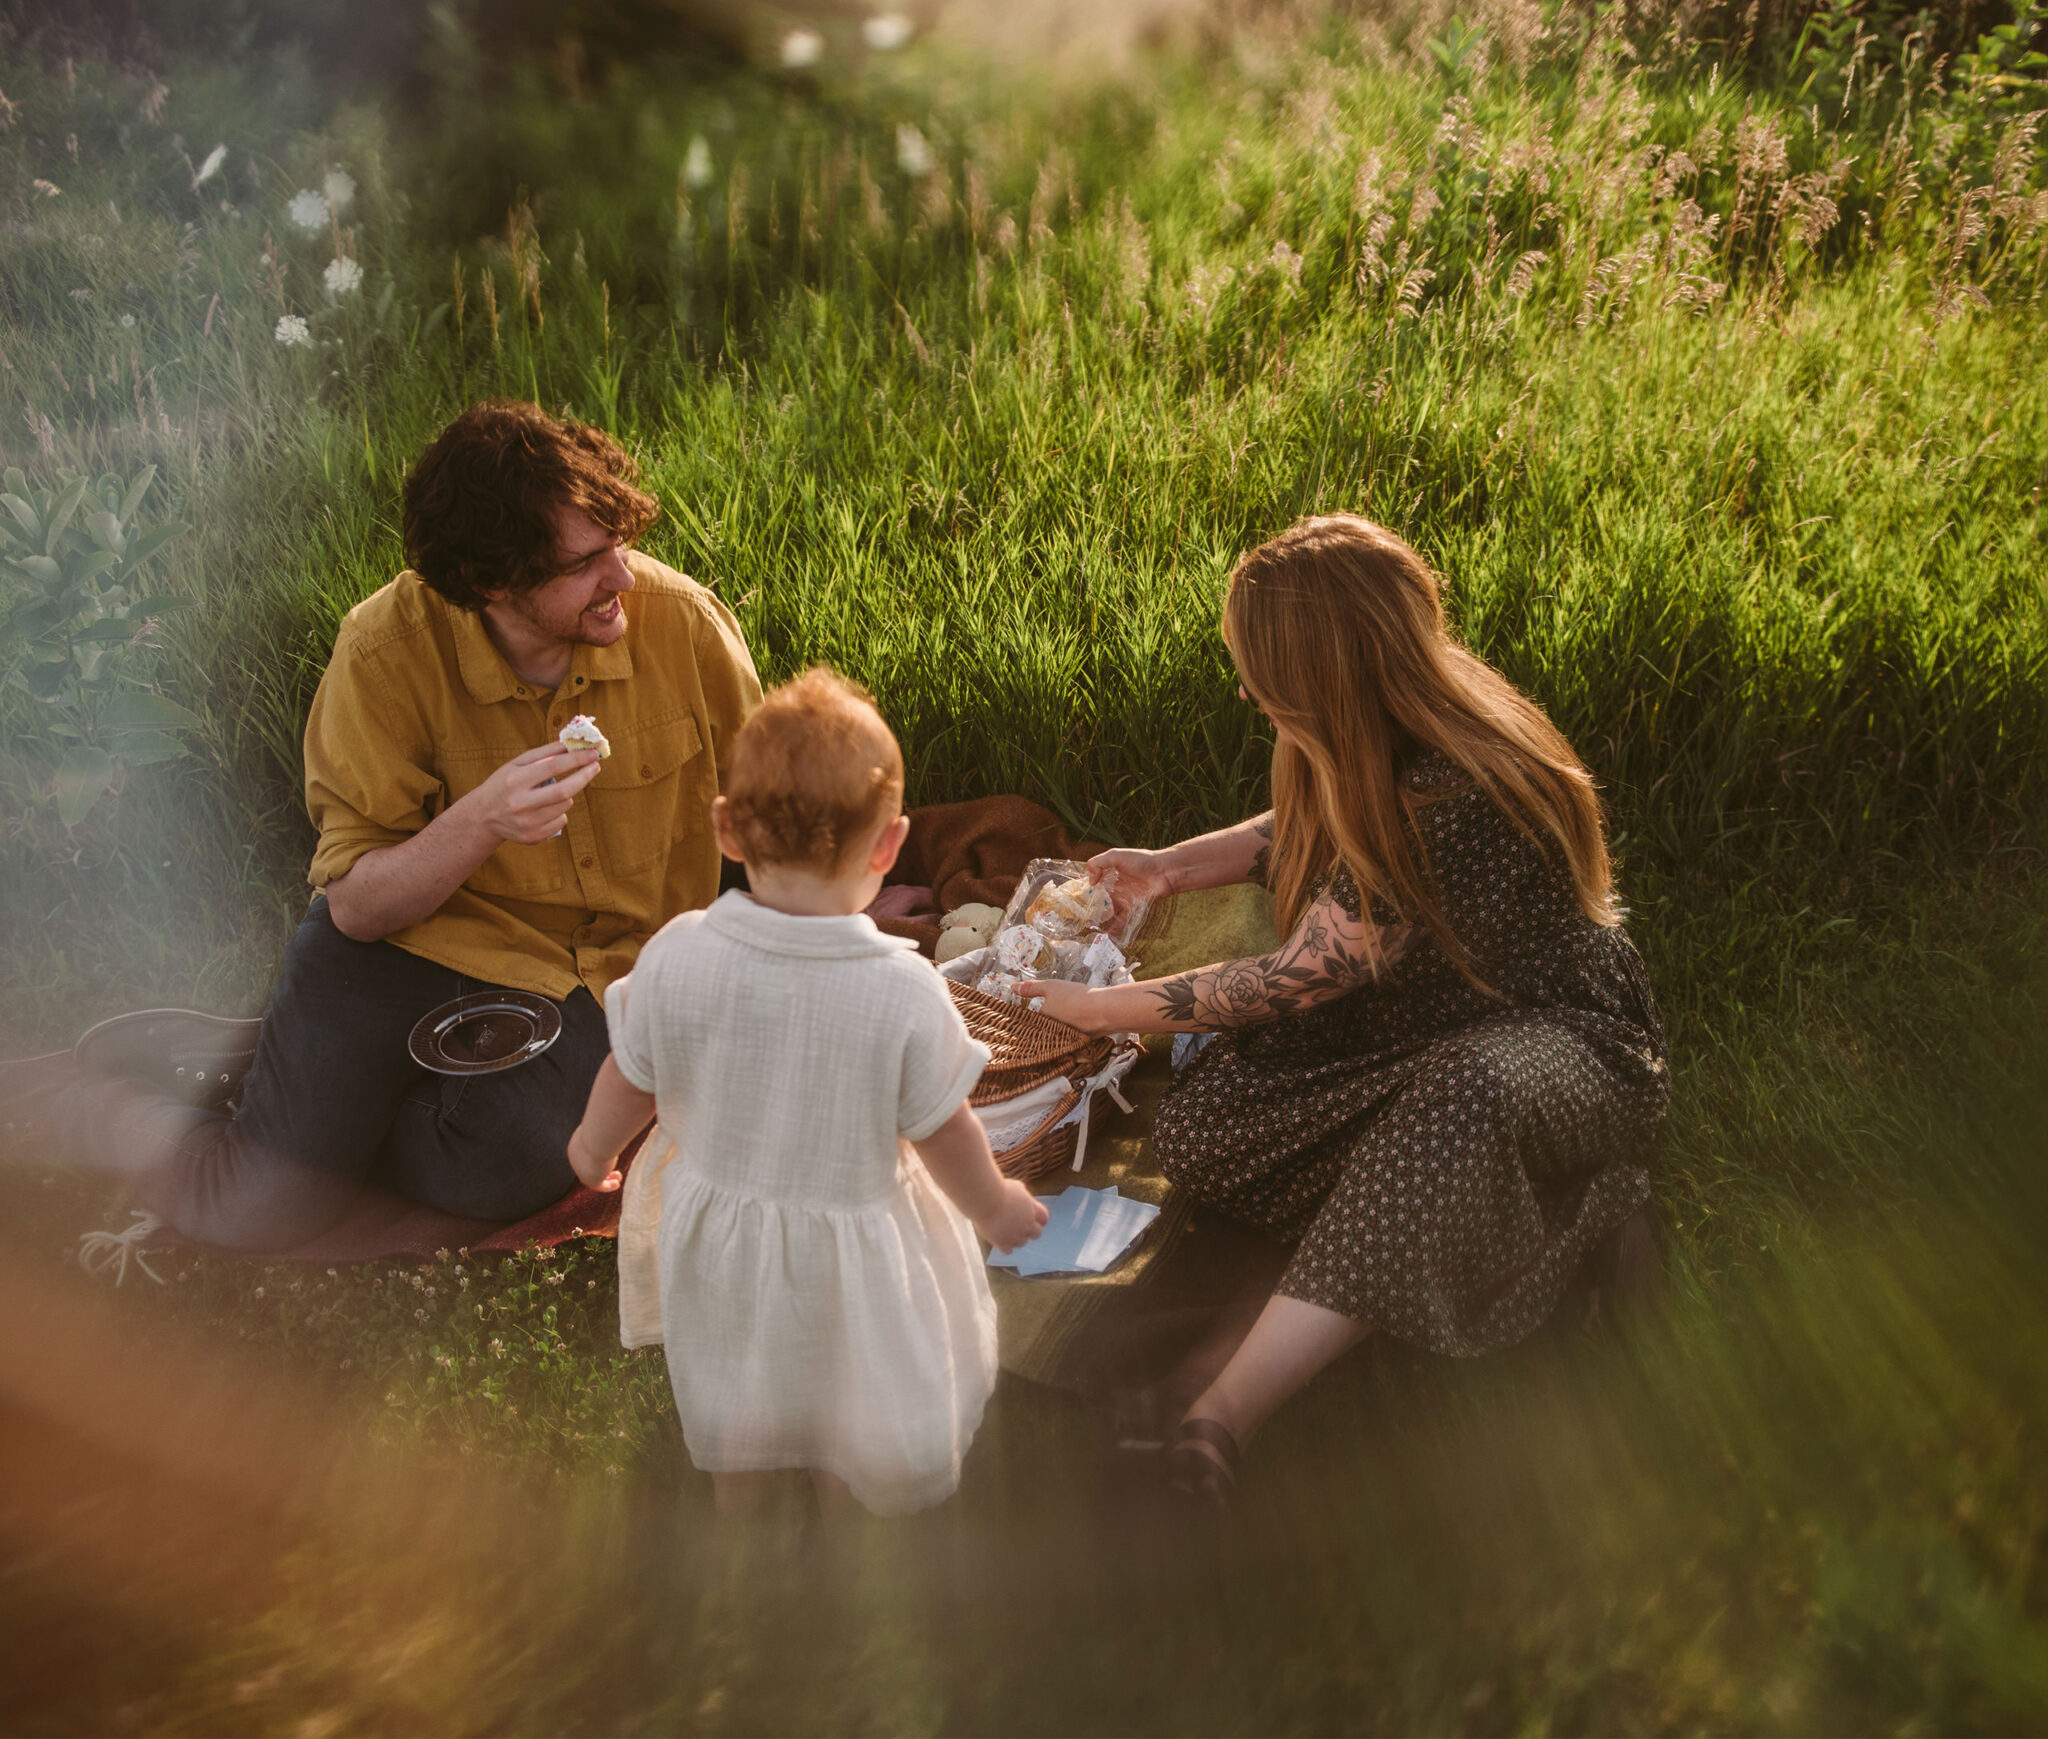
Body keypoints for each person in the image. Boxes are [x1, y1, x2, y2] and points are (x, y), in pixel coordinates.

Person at [1020, 514, 1669, 1506]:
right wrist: (1168, 865)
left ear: (1321, 679)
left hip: (1556, 1039)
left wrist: (1102, 1009)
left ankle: (1218, 1416)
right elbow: (1305, 826)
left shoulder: (1459, 795)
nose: (1243, 690)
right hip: (1420, 1015)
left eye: (1258, 672)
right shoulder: (1382, 732)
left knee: (1462, 1098)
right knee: (1204, 1135)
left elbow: (1290, 979)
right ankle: (1445, 1204)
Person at [39, 400, 762, 1250]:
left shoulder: (683, 624)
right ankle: (118, 1107)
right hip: (403, 946)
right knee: (253, 1206)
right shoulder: (384, 652)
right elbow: (357, 907)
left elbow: (759, 816)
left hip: (594, 978)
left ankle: (280, 1078)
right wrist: (484, 817)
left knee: (509, 1163)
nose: (624, 579)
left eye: (618, 544)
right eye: (586, 563)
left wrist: (814, 919)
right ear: (496, 583)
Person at [566, 668, 1046, 1516]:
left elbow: (630, 1073)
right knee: (850, 1397)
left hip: (721, 1238)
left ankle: (740, 1525)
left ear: (726, 829)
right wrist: (994, 1205)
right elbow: (945, 1129)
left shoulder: (677, 953)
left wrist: (592, 1148)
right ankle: (850, 1520)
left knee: (734, 1394)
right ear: (890, 845)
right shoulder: (900, 989)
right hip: (852, 1247)